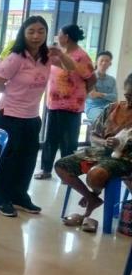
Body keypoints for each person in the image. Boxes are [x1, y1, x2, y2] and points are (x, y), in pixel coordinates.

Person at [0, 16, 76, 217]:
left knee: (27, 160)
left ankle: (19, 196)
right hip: (9, 115)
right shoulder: (15, 58)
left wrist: (60, 53)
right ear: (23, 33)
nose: (36, 36)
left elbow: (71, 68)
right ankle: (0, 198)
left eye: (41, 31)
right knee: (7, 160)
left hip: (32, 116)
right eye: (31, 31)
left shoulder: (47, 56)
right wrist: (12, 93)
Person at [56, 74, 132, 233]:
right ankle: (91, 198)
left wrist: (121, 144)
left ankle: (93, 195)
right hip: (101, 151)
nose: (130, 102)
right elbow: (93, 135)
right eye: (128, 96)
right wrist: (104, 142)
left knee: (96, 174)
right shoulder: (112, 108)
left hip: (125, 159)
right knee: (61, 166)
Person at [35, 25, 95, 180]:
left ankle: (68, 174)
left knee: (68, 142)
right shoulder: (60, 54)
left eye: (59, 34)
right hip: (54, 104)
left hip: (71, 107)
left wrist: (80, 95)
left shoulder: (81, 56)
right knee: (51, 139)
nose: (57, 37)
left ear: (66, 37)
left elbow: (92, 79)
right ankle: (46, 169)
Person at [85, 51, 117, 122]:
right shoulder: (90, 77)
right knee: (104, 118)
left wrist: (100, 94)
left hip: (108, 107)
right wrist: (107, 95)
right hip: (93, 107)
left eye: (107, 61)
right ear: (96, 62)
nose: (104, 63)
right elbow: (91, 95)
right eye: (101, 60)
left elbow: (114, 97)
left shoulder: (112, 80)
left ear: (110, 64)